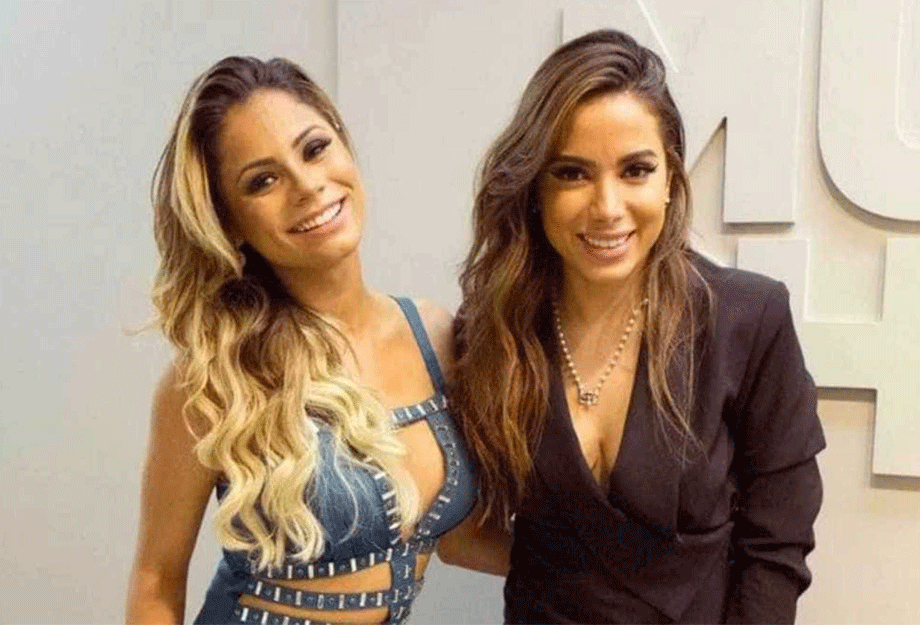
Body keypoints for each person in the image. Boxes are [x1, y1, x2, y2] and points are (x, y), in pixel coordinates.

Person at [443, 29, 825, 623]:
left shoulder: (749, 318)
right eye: (571, 173)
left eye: (635, 170)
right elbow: (460, 529)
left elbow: (779, 541)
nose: (607, 207)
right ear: (534, 188)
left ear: (670, 179)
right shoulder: (491, 331)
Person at [125, 56, 476, 625]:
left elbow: (461, 540)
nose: (308, 186)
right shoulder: (213, 377)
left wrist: (611, 564)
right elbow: (156, 579)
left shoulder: (435, 335)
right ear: (229, 221)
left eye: (314, 149)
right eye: (262, 181)